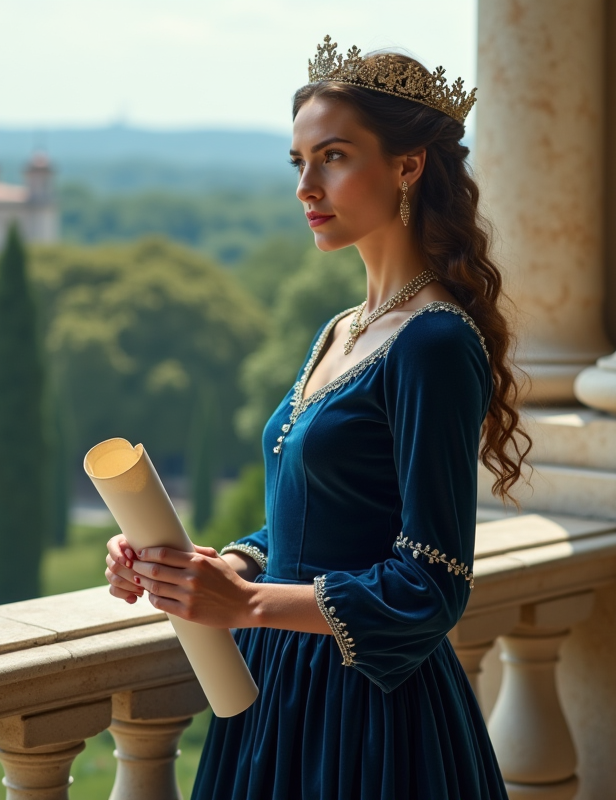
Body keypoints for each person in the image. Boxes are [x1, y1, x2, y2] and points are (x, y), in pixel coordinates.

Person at [104, 36, 529, 799]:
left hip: (372, 715)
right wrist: (213, 568)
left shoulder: (433, 341)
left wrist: (247, 604)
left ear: (408, 165)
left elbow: (432, 586)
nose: (307, 186)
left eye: (332, 156)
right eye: (298, 162)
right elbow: (315, 524)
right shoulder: (341, 329)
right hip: (276, 691)